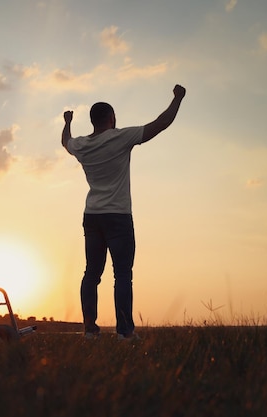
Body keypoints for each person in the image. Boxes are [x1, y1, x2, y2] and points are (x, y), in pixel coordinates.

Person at [62, 84, 186, 339]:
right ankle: (125, 332)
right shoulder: (120, 137)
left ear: (93, 121)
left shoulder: (82, 145)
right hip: (118, 216)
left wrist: (67, 122)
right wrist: (177, 98)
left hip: (92, 216)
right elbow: (160, 124)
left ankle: (90, 330)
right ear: (112, 119)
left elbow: (65, 141)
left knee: (91, 274)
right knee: (122, 275)